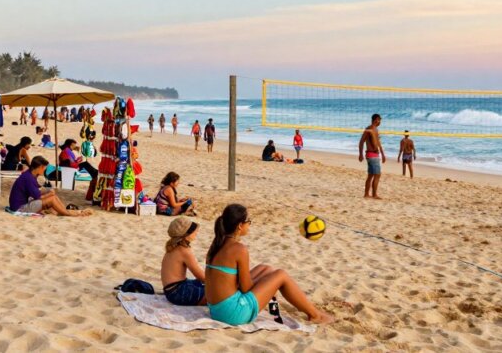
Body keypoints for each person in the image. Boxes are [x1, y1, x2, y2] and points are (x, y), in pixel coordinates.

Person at [205, 204, 333, 325]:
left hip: (217, 310)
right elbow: (246, 288)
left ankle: (279, 308)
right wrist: (266, 285)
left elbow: (228, 281)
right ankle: (315, 315)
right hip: (232, 314)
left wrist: (265, 281)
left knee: (265, 269)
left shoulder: (216, 245)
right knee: (280, 275)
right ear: (240, 226)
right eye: (248, 222)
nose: (249, 225)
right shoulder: (239, 249)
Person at [9, 156, 91, 216]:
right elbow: (37, 196)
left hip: (22, 203)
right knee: (51, 199)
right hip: (20, 208)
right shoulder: (28, 178)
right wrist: (49, 194)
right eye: (44, 168)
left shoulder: (31, 175)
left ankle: (64, 211)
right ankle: (69, 213)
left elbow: (37, 190)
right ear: (40, 167)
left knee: (53, 196)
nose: (44, 170)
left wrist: (49, 191)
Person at [161, 217, 206, 306]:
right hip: (176, 293)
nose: (196, 233)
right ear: (186, 234)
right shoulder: (184, 251)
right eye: (194, 231)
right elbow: (201, 276)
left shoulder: (174, 247)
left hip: (170, 290)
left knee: (199, 283)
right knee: (216, 294)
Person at [358, 113, 385, 199]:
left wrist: (383, 154)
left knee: (371, 175)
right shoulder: (369, 129)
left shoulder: (376, 129)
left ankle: (366, 194)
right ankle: (374, 194)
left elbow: (378, 142)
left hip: (375, 154)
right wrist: (360, 154)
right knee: (377, 174)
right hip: (371, 154)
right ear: (376, 119)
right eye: (379, 120)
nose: (380, 121)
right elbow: (361, 141)